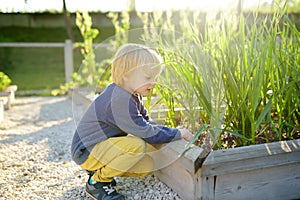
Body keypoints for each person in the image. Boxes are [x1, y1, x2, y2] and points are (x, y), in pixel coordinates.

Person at [71, 43, 194, 200]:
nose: (154, 82)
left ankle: (100, 170)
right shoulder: (120, 100)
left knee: (147, 165)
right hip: (87, 151)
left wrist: (169, 131)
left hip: (101, 146)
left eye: (155, 78)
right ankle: (97, 182)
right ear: (126, 74)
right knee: (137, 146)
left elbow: (147, 122)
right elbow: (147, 133)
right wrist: (177, 133)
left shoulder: (132, 94)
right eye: (148, 78)